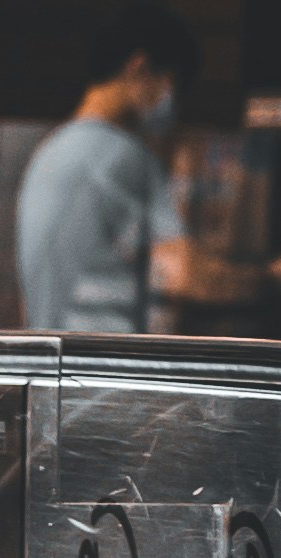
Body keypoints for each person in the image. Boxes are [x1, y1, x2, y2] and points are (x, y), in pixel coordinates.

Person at [11, 21, 190, 338]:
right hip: (105, 370)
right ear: (140, 68)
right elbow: (183, 276)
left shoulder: (49, 152)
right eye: (172, 82)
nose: (172, 103)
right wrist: (271, 276)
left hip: (50, 367)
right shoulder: (124, 154)